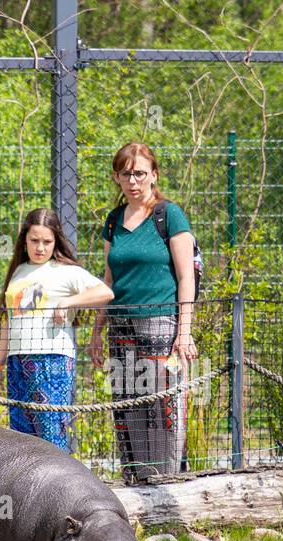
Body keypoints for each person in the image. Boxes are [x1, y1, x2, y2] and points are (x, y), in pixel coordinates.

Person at [87, 141, 198, 484]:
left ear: (154, 175)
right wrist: (97, 329)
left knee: (162, 410)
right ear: (116, 177)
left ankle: (167, 486)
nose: (133, 181)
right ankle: (135, 486)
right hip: (120, 327)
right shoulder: (113, 220)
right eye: (125, 174)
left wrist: (185, 331)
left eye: (139, 173)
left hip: (161, 324)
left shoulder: (169, 215)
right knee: (127, 407)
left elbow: (186, 276)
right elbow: (109, 278)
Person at [0, 208, 114, 451]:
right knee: (21, 438)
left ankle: (59, 488)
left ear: (55, 241)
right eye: (34, 240)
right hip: (17, 362)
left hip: (52, 360)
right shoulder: (17, 271)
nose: (40, 247)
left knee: (51, 434)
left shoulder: (66, 270)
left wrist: (67, 302)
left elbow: (105, 292)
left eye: (47, 241)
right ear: (24, 240)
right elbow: (8, 321)